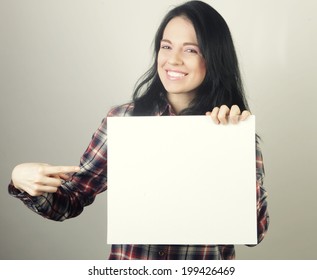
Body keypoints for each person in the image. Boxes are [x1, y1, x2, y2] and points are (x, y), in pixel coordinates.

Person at [8, 0, 269, 260]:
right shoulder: (123, 120)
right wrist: (23, 180)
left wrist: (235, 151)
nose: (172, 59)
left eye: (190, 50)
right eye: (166, 46)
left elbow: (254, 235)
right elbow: (70, 201)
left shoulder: (232, 132)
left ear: (214, 57)